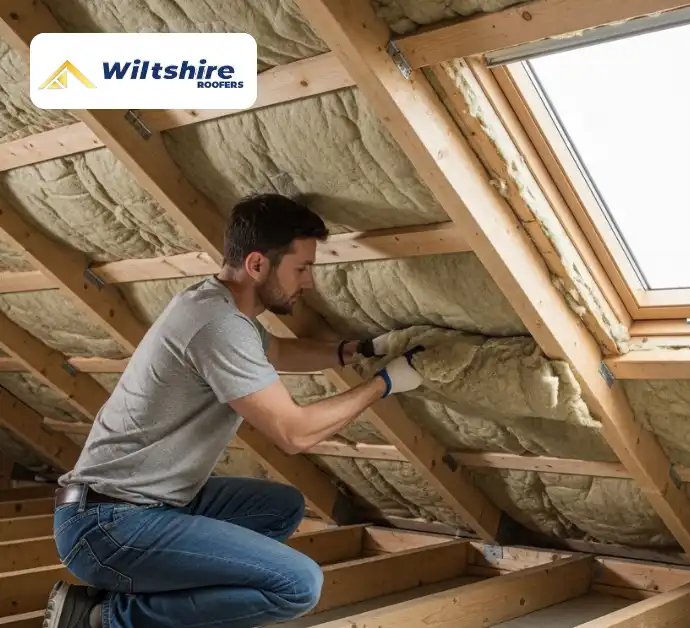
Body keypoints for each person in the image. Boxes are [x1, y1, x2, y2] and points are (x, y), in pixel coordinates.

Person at [43, 193, 424, 628]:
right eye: (301, 269)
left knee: (280, 507)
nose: (309, 283)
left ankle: (133, 586)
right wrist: (385, 383)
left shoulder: (215, 305)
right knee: (299, 585)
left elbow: (276, 349)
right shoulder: (219, 326)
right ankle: (103, 617)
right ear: (258, 265)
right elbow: (294, 434)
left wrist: (356, 351)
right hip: (107, 526)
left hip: (136, 507)